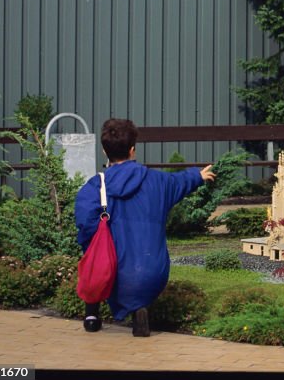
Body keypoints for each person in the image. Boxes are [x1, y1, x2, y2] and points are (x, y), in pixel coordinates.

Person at [74, 118, 216, 336]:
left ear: (104, 151)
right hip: (151, 273)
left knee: (95, 259)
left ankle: (92, 313)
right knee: (136, 267)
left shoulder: (94, 187)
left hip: (111, 274)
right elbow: (178, 182)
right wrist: (197, 176)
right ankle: (139, 308)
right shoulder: (157, 181)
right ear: (133, 150)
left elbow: (85, 226)